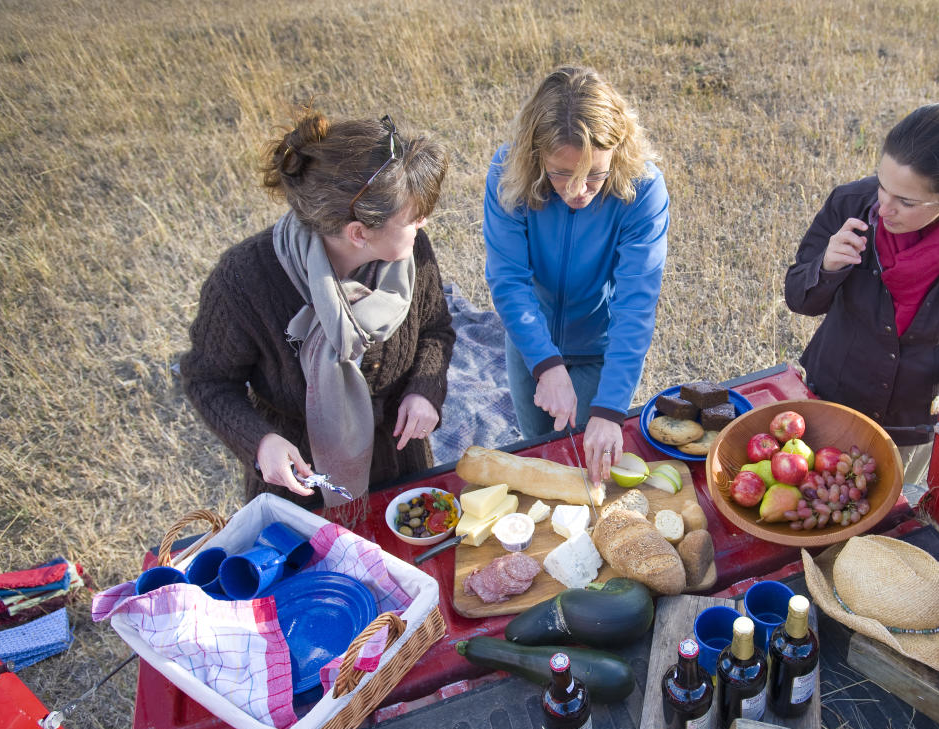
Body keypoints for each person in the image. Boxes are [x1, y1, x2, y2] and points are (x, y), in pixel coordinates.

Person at [181, 110, 454, 521]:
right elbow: (208, 379)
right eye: (413, 217)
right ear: (359, 233)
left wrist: (424, 390)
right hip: (302, 489)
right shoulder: (243, 282)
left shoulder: (412, 252)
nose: (424, 222)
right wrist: (260, 442)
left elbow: (435, 329)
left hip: (401, 468)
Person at [784, 103, 939, 485]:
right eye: (882, 186)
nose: (883, 208)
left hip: (912, 426)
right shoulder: (850, 203)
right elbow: (798, 298)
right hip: (830, 399)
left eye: (905, 201)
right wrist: (826, 267)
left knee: (879, 527)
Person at [483, 66, 670, 485]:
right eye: (562, 173)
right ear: (536, 156)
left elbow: (636, 304)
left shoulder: (645, 190)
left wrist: (609, 410)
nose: (577, 190)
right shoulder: (506, 173)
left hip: (600, 346)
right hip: (530, 338)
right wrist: (546, 364)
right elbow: (509, 279)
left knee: (587, 453)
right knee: (537, 448)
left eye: (595, 174)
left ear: (617, 153)